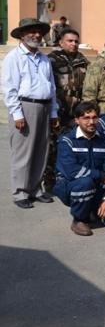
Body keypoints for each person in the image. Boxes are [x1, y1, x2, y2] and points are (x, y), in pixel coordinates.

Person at [2, 18, 59, 208]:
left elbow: (51, 87)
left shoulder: (44, 58)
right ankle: (20, 193)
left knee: (41, 151)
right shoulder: (14, 57)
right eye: (31, 32)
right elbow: (9, 89)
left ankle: (35, 189)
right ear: (22, 35)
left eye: (38, 32)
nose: (36, 35)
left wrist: (53, 112)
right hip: (25, 107)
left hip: (44, 106)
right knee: (23, 152)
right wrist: (17, 114)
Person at [53, 102, 105, 236]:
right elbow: (72, 171)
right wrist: (102, 176)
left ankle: (93, 209)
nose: (91, 122)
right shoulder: (67, 141)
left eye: (95, 117)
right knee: (85, 183)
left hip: (97, 188)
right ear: (76, 120)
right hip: (70, 185)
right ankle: (80, 219)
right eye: (86, 118)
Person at [43, 28, 90, 192]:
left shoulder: (82, 60)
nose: (74, 44)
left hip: (76, 112)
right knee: (53, 147)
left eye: (76, 41)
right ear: (61, 42)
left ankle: (71, 179)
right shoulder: (51, 60)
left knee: (74, 147)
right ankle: (49, 182)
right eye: (70, 41)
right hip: (58, 110)